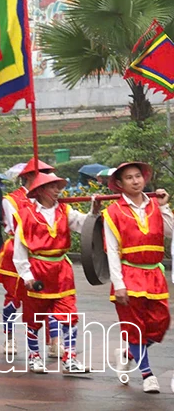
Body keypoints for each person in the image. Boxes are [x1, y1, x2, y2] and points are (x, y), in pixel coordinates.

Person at [13, 171, 97, 374]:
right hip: (38, 270)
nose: (57, 191)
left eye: (58, 187)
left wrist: (94, 211)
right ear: (40, 190)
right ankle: (34, 356)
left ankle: (70, 358)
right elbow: (19, 250)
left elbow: (85, 224)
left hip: (61, 271)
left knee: (69, 315)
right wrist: (27, 276)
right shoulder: (26, 215)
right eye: (52, 187)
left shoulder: (66, 211)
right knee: (34, 318)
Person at [101, 161, 172, 394]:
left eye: (138, 176)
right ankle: (147, 374)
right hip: (129, 273)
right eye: (129, 178)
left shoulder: (155, 206)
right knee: (135, 327)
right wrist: (118, 284)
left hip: (154, 273)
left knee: (160, 323)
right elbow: (111, 250)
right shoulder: (113, 212)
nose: (135, 181)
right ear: (120, 184)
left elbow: (169, 232)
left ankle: (128, 353)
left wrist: (164, 207)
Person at [0, 158, 55, 357]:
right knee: (14, 297)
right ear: (28, 177)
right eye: (40, 174)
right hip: (18, 251)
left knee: (49, 296)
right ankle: (9, 338)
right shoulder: (10, 200)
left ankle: (53, 341)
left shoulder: (50, 199)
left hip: (43, 252)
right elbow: (19, 227)